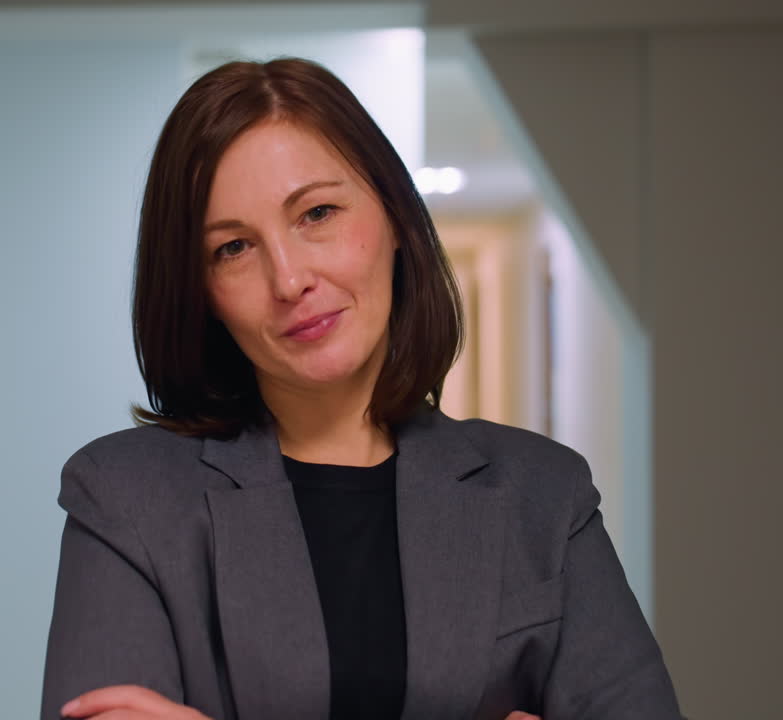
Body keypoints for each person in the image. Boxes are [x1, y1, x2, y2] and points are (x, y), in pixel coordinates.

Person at [40, 58, 682, 720]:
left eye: (317, 212)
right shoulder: (123, 498)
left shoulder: (544, 495)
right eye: (233, 248)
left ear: (395, 215)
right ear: (201, 293)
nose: (289, 280)